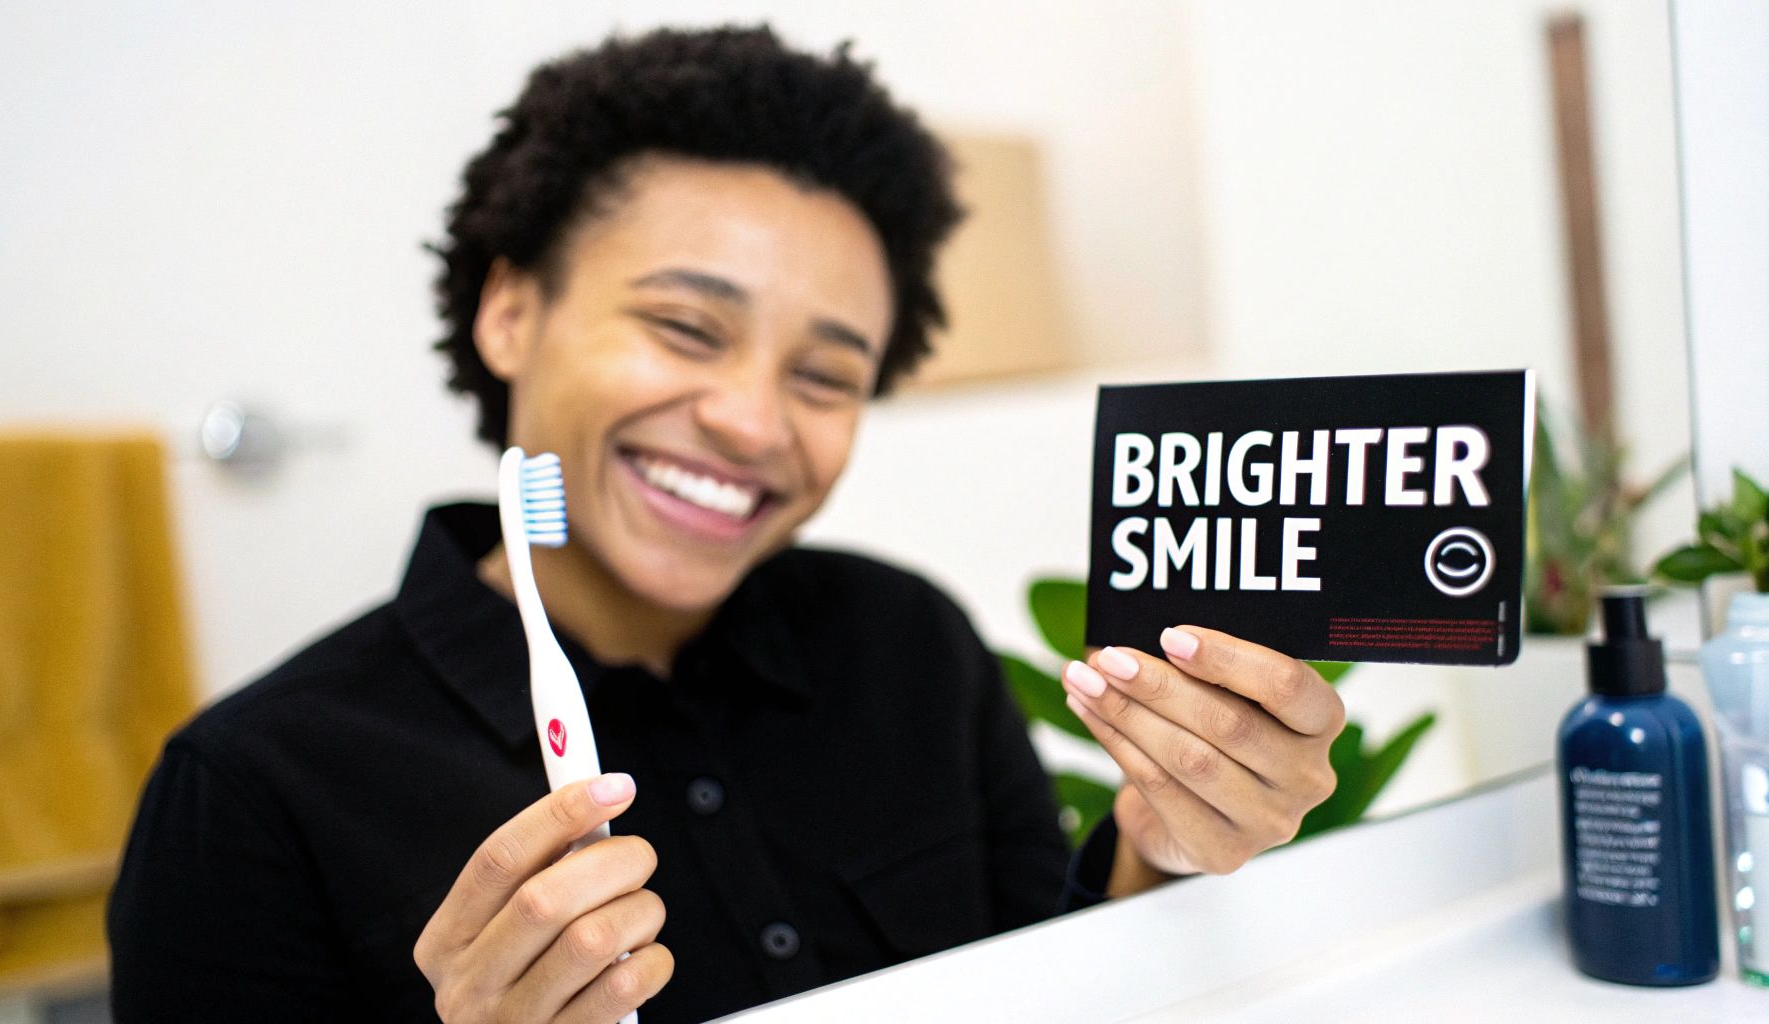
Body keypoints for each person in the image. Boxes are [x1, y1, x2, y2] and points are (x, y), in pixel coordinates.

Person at [107, 25, 1342, 1024]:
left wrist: (1170, 843)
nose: (753, 422)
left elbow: (1054, 982)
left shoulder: (906, 640)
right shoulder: (250, 791)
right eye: (687, 328)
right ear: (509, 313)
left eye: (824, 374)